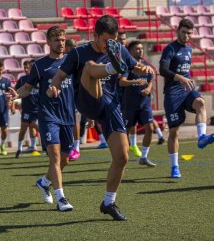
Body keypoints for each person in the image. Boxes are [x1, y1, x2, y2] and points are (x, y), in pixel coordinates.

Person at [48, 15, 154, 220]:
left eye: (113, 41)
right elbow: (59, 76)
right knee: (89, 66)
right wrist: (54, 86)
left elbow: (135, 67)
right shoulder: (78, 52)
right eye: (106, 40)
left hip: (110, 105)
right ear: (95, 35)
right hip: (87, 100)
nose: (109, 45)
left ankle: (108, 202)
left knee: (122, 157)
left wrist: (143, 68)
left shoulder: (118, 49)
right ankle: (111, 68)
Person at [7, 26, 75, 212]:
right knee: (54, 157)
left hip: (67, 116)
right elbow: (27, 88)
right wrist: (16, 95)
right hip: (48, 115)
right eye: (56, 40)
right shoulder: (40, 65)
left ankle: (44, 182)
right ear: (48, 42)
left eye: (62, 40)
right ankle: (61, 198)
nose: (60, 43)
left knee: (64, 160)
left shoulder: (72, 62)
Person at [159, 18, 214, 178]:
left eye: (189, 33)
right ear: (178, 31)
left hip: (187, 90)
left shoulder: (189, 49)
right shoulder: (170, 48)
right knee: (174, 132)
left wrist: (186, 80)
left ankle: (202, 137)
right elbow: (163, 70)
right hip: (172, 93)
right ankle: (174, 166)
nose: (186, 36)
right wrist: (180, 78)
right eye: (183, 32)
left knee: (201, 103)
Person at [119, 40, 156, 167]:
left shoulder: (146, 64)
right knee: (126, 132)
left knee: (150, 129)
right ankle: (123, 157)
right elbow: (122, 82)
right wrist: (134, 82)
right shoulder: (127, 66)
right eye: (137, 49)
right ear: (130, 51)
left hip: (144, 103)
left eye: (141, 48)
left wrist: (148, 89)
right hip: (130, 104)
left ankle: (144, 156)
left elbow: (150, 80)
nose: (140, 51)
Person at [14, 60, 39, 158]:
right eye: (24, 67)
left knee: (34, 125)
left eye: (27, 67)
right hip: (27, 108)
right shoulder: (22, 79)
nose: (26, 69)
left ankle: (38, 146)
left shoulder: (38, 78)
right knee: (23, 129)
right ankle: (19, 149)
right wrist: (13, 103)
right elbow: (15, 91)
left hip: (37, 107)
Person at [65, 38, 81, 160]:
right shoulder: (63, 59)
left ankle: (76, 147)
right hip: (63, 92)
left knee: (74, 119)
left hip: (74, 92)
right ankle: (68, 146)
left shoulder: (78, 60)